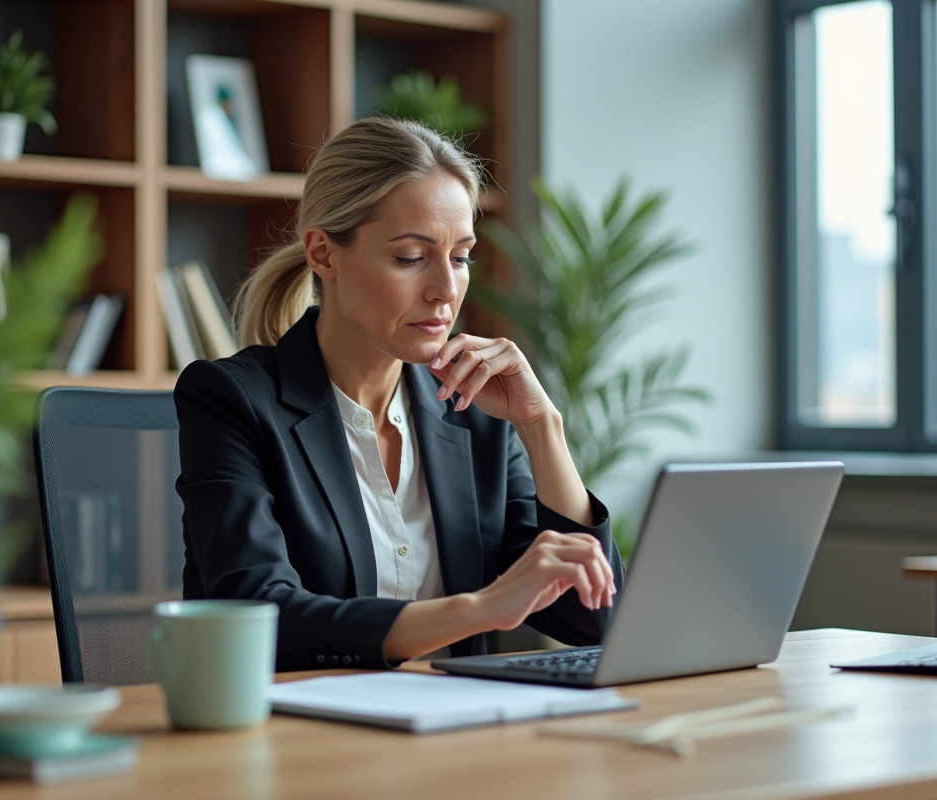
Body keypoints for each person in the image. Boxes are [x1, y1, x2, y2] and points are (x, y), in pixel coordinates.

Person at [174, 117, 624, 672]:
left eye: (460, 257)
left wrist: (541, 427)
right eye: (411, 258)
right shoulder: (231, 399)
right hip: (300, 740)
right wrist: (480, 609)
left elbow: (593, 618)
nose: (445, 290)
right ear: (323, 254)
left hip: (450, 737)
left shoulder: (472, 409)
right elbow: (258, 613)